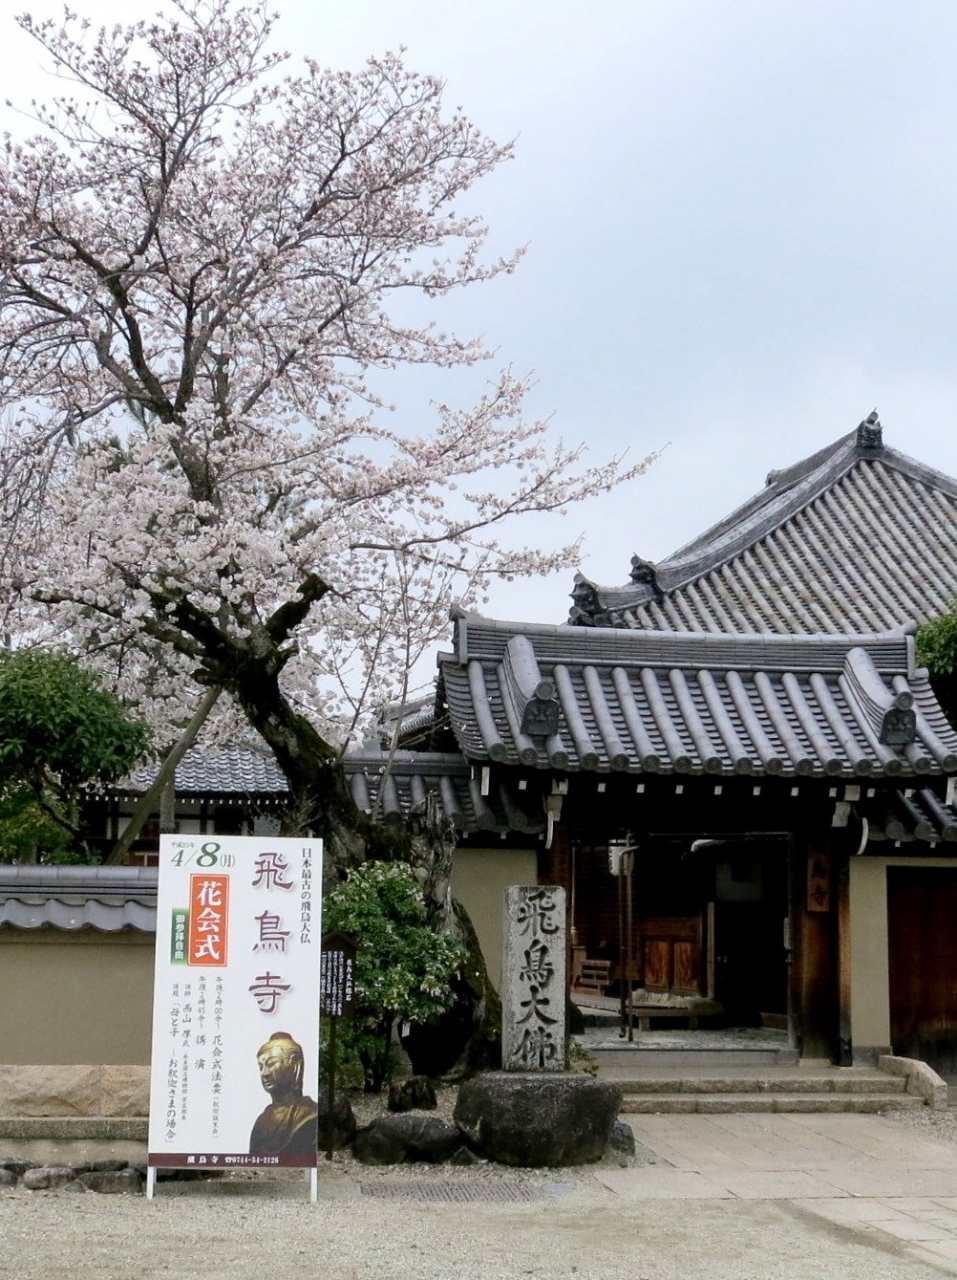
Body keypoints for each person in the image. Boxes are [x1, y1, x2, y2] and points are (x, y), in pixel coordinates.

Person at [249, 1031, 319, 1155]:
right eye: (261, 1067)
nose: (264, 1073)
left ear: (294, 1066)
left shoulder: (310, 1114)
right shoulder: (262, 1121)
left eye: (271, 1064)